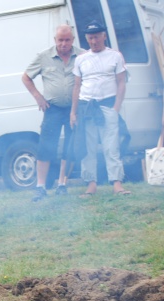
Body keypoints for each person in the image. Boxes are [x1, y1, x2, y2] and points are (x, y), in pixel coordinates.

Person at [22, 24, 85, 201]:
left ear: (72, 40)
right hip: (53, 108)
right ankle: (40, 187)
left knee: (70, 145)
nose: (64, 44)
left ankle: (62, 184)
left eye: (67, 40)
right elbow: (26, 77)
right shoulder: (43, 57)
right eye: (60, 40)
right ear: (55, 40)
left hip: (74, 108)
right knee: (46, 146)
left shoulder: (82, 55)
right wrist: (38, 97)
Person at [70, 21, 131, 197]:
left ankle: (117, 184)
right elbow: (76, 86)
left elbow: (121, 82)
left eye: (96, 37)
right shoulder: (81, 59)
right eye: (90, 38)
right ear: (86, 39)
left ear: (104, 36)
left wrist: (116, 107)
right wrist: (73, 112)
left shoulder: (115, 56)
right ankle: (91, 184)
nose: (93, 41)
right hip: (86, 106)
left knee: (111, 146)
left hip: (108, 105)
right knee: (87, 147)